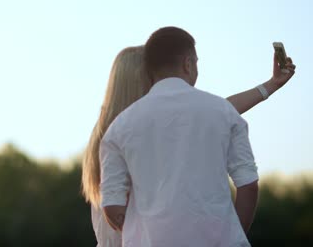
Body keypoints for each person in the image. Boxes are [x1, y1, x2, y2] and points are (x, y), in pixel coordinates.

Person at [82, 27, 296, 246]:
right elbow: (217, 113)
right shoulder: (133, 130)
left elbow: (218, 110)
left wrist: (269, 86)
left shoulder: (114, 131)